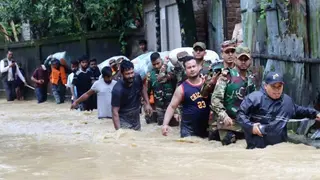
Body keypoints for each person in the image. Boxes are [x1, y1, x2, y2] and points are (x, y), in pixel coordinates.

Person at [237, 72, 320, 149]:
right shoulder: (254, 98)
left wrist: (315, 114)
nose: (277, 90)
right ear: (265, 86)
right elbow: (240, 115)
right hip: (256, 150)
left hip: (279, 151)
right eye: (273, 86)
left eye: (279, 86)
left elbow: (299, 111)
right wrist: (251, 127)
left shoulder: (287, 102)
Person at [211, 45, 256, 145]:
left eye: (246, 59)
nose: (243, 62)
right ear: (235, 59)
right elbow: (215, 100)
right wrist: (224, 116)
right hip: (227, 123)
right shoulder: (227, 76)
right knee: (230, 146)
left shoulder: (251, 78)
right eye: (241, 59)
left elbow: (256, 101)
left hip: (244, 123)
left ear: (250, 60)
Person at [162, 56, 210, 138]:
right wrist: (165, 124)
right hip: (188, 130)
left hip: (206, 128)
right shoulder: (181, 88)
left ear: (199, 67)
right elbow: (172, 106)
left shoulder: (208, 83)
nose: (192, 69)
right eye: (189, 67)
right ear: (185, 70)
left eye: (194, 66)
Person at [111, 60, 152, 131]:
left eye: (132, 72)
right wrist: (118, 132)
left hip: (136, 117)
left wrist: (147, 103)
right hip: (123, 119)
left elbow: (142, 88)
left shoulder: (137, 77)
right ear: (121, 73)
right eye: (127, 74)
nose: (131, 76)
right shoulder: (117, 90)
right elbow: (114, 112)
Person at [146, 52, 178, 126]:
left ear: (161, 60)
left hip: (172, 105)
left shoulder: (170, 71)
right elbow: (147, 92)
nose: (157, 66)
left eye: (158, 63)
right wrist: (148, 105)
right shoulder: (150, 75)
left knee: (174, 125)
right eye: (154, 64)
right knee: (161, 126)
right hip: (159, 106)